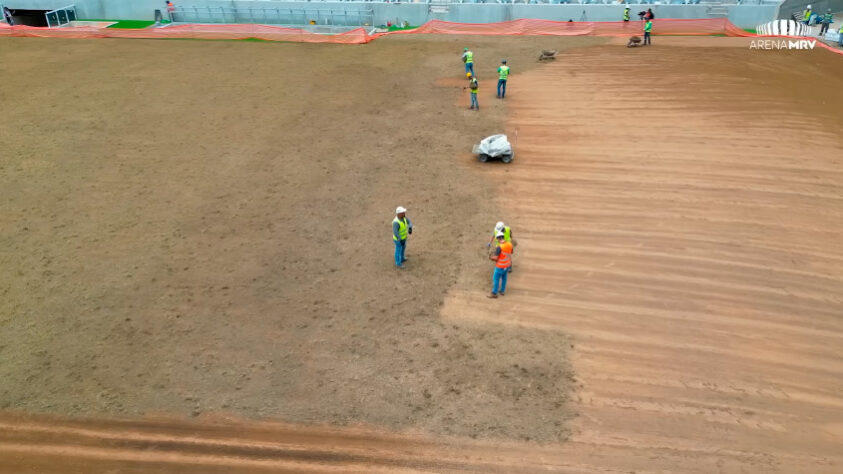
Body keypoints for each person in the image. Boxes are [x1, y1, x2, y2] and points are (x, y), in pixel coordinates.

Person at [488, 232, 513, 298]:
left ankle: (494, 293)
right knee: (504, 278)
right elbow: (511, 252)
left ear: (499, 238)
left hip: (500, 267)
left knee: (496, 279)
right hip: (507, 265)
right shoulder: (509, 244)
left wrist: (491, 257)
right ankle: (502, 290)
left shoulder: (499, 247)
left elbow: (496, 258)